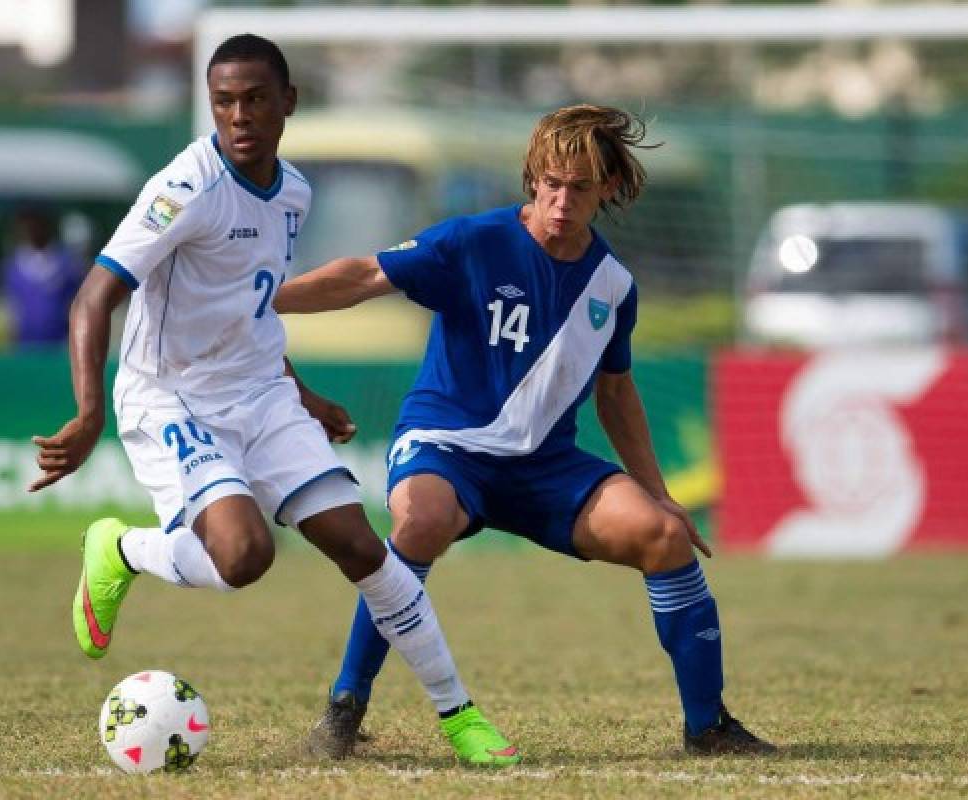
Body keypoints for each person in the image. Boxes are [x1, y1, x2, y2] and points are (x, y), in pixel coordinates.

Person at [28, 34, 519, 767]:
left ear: (287, 101)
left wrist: (303, 392)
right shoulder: (184, 187)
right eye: (224, 100)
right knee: (244, 554)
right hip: (173, 397)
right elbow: (94, 296)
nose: (239, 115)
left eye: (255, 98)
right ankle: (123, 549)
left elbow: (248, 309)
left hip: (260, 392)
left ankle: (459, 716)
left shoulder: (294, 191)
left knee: (362, 547)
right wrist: (90, 411)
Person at [274, 104, 776, 757]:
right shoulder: (473, 242)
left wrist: (657, 492)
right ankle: (345, 709)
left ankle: (707, 727)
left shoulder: (613, 286)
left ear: (610, 190)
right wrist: (265, 296)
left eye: (581, 187)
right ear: (534, 180)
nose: (562, 201)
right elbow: (365, 275)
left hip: (544, 468)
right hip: (446, 448)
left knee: (665, 538)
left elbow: (617, 393)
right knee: (419, 524)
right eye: (552, 183)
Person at [4, 205, 83, 347]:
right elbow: (14, 307)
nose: (31, 230)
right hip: (25, 343)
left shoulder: (66, 264)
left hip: (58, 343)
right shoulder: (15, 264)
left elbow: (77, 302)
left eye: (35, 225)